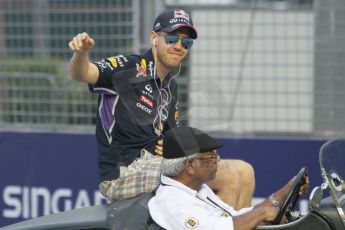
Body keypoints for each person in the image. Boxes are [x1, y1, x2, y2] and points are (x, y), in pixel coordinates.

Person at [68, 8, 254, 209]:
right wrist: (81, 54)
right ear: (154, 38)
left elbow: (173, 139)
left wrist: (188, 150)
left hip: (158, 166)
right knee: (227, 175)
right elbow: (83, 73)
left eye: (186, 43)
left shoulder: (170, 86)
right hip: (123, 174)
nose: (179, 46)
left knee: (244, 171)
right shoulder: (130, 68)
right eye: (172, 38)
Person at [149, 126, 310, 230]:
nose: (218, 160)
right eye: (211, 157)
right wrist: (262, 214)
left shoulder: (197, 189)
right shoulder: (173, 201)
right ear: (190, 166)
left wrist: (285, 192)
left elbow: (234, 218)